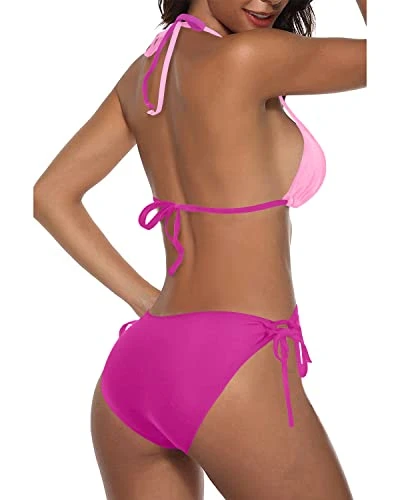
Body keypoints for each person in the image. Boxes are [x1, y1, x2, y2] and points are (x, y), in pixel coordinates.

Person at [33, 0, 366, 498]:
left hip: (138, 367)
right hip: (234, 367)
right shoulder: (252, 58)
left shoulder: (144, 76)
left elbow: (50, 195)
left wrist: (145, 300)